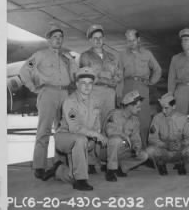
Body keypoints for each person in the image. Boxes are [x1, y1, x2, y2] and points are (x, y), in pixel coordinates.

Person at [19, 25, 78, 180]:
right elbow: (24, 71)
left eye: (60, 37)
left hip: (65, 93)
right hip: (48, 93)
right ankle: (39, 166)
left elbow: (74, 77)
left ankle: (60, 163)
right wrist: (33, 88)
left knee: (63, 130)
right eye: (55, 37)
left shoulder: (66, 57)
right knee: (44, 130)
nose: (58, 40)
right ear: (48, 39)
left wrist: (72, 64)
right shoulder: (40, 55)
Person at [42, 67, 108, 191]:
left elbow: (96, 124)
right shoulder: (70, 101)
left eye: (90, 83)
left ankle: (59, 170)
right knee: (80, 140)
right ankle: (81, 181)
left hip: (83, 138)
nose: (87, 86)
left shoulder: (95, 101)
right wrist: (96, 135)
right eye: (83, 83)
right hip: (65, 138)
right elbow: (75, 128)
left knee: (73, 173)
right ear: (77, 84)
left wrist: (96, 136)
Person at [79, 24, 122, 173]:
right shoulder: (85, 56)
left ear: (104, 39)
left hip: (110, 94)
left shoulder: (112, 56)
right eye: (94, 38)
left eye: (100, 37)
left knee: (108, 126)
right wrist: (106, 80)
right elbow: (88, 75)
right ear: (90, 40)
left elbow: (118, 74)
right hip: (94, 93)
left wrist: (114, 81)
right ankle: (90, 161)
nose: (98, 41)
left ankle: (105, 159)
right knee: (92, 126)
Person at [119, 29, 162, 148]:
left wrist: (151, 82)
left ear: (138, 40)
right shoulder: (122, 55)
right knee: (127, 118)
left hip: (142, 87)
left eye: (133, 40)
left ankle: (144, 148)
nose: (131, 43)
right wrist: (119, 94)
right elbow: (119, 75)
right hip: (127, 86)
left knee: (143, 118)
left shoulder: (147, 54)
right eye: (128, 41)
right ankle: (128, 150)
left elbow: (158, 70)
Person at [101, 90, 149, 182]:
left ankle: (121, 168)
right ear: (129, 106)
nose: (140, 109)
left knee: (144, 155)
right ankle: (110, 170)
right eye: (138, 107)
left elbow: (136, 139)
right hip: (105, 150)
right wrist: (124, 136)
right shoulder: (114, 114)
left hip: (122, 150)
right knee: (116, 140)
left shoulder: (135, 120)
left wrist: (136, 147)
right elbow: (109, 131)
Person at [146, 93, 189, 175]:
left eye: (166, 108)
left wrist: (181, 143)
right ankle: (161, 164)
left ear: (174, 106)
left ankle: (181, 164)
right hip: (164, 150)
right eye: (162, 108)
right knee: (149, 151)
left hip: (178, 150)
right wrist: (165, 145)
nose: (163, 111)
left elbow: (188, 137)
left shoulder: (183, 118)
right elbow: (152, 138)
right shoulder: (157, 118)